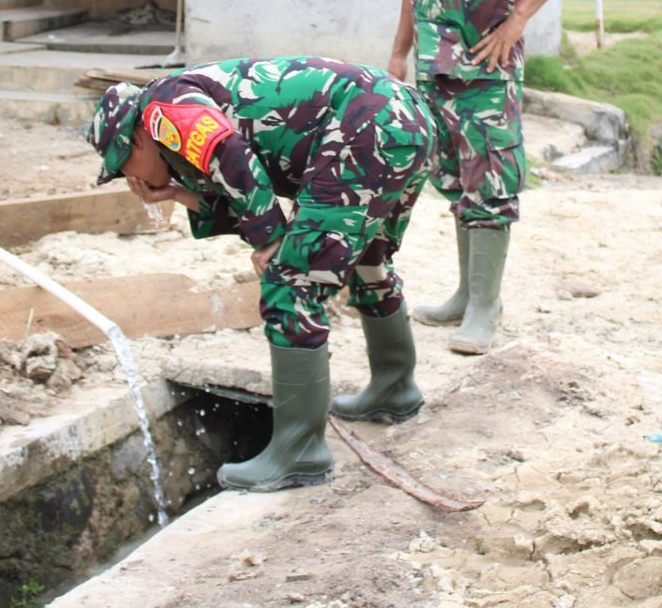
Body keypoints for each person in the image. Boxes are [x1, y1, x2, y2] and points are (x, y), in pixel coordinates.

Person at [86, 55, 437, 493]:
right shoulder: (179, 109)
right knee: (368, 258)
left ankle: (299, 452)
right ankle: (394, 387)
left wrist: (270, 240)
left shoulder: (162, 110)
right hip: (402, 119)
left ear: (137, 139)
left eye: (123, 168)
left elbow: (234, 157)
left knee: (289, 284)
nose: (128, 180)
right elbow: (238, 182)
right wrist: (176, 193)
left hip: (365, 127)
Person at [389, 0, 587, 355]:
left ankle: (485, 305)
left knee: (490, 182)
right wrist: (400, 51)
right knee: (453, 180)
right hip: (434, 67)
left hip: (485, 65)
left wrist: (520, 17)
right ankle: (463, 294)